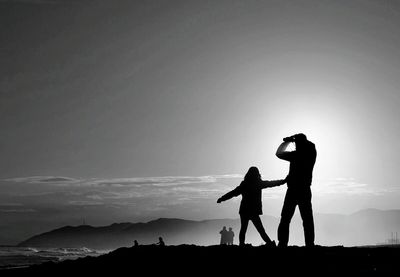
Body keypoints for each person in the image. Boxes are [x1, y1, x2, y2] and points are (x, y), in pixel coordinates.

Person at [217, 166, 286, 247]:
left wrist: (222, 198)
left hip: (244, 210)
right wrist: (283, 181)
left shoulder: (245, 184)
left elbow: (233, 193)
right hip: (253, 211)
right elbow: (271, 183)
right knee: (260, 229)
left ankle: (242, 244)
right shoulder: (258, 183)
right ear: (257, 174)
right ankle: (269, 243)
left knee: (244, 229)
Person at [276, 133, 317, 247]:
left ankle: (282, 243)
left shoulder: (297, 154)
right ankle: (309, 243)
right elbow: (309, 145)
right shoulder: (310, 152)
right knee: (306, 218)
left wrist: (287, 141)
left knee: (286, 218)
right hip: (303, 189)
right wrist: (294, 139)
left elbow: (278, 153)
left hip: (295, 189)